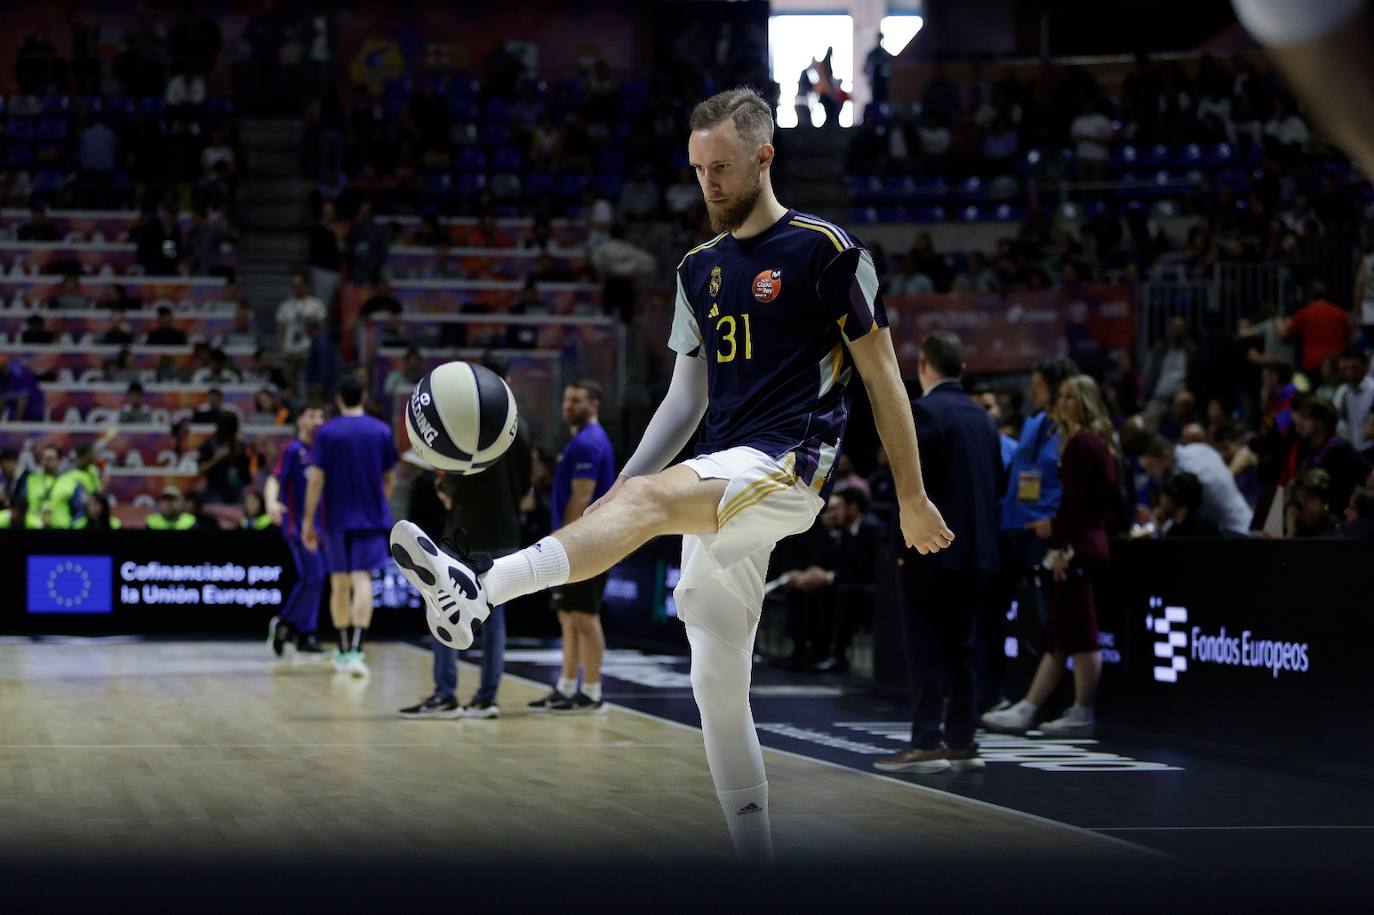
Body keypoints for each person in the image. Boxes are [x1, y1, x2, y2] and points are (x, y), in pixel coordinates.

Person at [388, 87, 953, 861]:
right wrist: (627, 486)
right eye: (696, 170)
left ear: (764, 156)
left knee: (646, 502)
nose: (708, 183)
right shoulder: (697, 270)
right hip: (718, 468)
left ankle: (477, 589)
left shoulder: (829, 250)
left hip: (788, 470)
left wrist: (913, 496)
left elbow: (886, 378)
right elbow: (685, 398)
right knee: (716, 687)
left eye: (721, 167)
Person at [876, 332, 1000, 774]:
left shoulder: (923, 412)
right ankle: (963, 740)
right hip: (979, 554)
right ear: (962, 369)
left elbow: (908, 491)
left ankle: (927, 740)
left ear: (923, 367)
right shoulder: (985, 420)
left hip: (930, 552)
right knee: (962, 648)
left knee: (926, 646)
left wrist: (900, 547)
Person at [983, 376, 1120, 738]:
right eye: (1061, 396)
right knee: (1061, 635)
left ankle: (1080, 710)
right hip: (1087, 541)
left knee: (1083, 635)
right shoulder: (1099, 442)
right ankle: (1030, 707)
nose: (1063, 403)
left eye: (1071, 397)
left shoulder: (1079, 444)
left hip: (1076, 547)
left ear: (1087, 402)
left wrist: (1059, 545)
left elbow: (1074, 505)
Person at [401, 369, 532, 720]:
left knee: (445, 608)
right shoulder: (520, 428)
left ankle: (445, 694)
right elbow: (526, 482)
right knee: (495, 620)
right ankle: (487, 698)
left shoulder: (464, 417)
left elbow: (457, 476)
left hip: (465, 534)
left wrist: (443, 490)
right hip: (505, 532)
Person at [523, 381, 619, 715]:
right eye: (565, 399)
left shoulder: (590, 442)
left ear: (594, 403)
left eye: (576, 400)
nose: (568, 405)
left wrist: (562, 539)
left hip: (587, 542)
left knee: (584, 615)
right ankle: (566, 685)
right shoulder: (579, 441)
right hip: (578, 542)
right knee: (568, 616)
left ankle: (591, 691)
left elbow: (582, 495)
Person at [990, 356, 1077, 713]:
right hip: (1012, 529)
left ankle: (1049, 700)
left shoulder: (1069, 429)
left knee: (1044, 621)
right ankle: (1010, 692)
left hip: (1043, 533)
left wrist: (1057, 524)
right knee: (1011, 620)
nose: (1033, 391)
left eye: (1039, 385)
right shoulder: (1033, 423)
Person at [302, 378, 399, 678]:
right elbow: (390, 478)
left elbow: (316, 479)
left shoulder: (328, 431)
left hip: (335, 519)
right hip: (371, 518)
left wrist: (307, 520)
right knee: (363, 581)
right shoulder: (381, 430)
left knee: (339, 584)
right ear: (365, 396)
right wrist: (379, 503)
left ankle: (343, 650)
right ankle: (357, 649)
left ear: (339, 397)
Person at [266, 405, 327, 656]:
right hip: (297, 524)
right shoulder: (292, 449)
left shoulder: (325, 449)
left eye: (320, 415)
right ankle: (284, 622)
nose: (316, 420)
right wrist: (271, 501)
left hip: (323, 527)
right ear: (300, 421)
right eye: (311, 415)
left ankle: (306, 634)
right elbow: (274, 478)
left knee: (317, 580)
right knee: (313, 576)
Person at [1137, 435, 1254, 534]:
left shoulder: (1184, 477)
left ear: (1166, 454)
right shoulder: (1197, 448)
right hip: (1247, 519)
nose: (1150, 473)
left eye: (1150, 466)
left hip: (1234, 533)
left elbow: (1181, 519)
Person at [1141, 316, 1200, 431]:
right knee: (1146, 425)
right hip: (1159, 396)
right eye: (1175, 327)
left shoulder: (1191, 350)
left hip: (1181, 398)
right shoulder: (1160, 349)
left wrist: (1191, 394)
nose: (1177, 330)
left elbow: (1196, 377)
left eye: (1180, 327)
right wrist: (1144, 394)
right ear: (1169, 329)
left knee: (1189, 426)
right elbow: (1150, 374)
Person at [1283, 285, 1353, 376]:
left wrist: (1278, 321)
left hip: (1312, 365)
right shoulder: (1339, 312)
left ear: (1308, 297)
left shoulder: (1304, 313)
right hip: (1335, 364)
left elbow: (1285, 336)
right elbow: (1349, 339)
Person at [196, 413, 251, 505]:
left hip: (236, 490)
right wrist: (217, 458)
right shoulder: (210, 444)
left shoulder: (240, 446)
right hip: (216, 490)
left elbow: (247, 475)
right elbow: (201, 469)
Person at [276, 273, 327, 355]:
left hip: (309, 349)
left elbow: (322, 326)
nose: (297, 288)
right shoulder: (285, 306)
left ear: (305, 285)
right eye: (294, 285)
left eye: (299, 285)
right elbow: (281, 329)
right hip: (290, 350)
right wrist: (281, 349)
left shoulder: (316, 304)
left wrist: (313, 319)